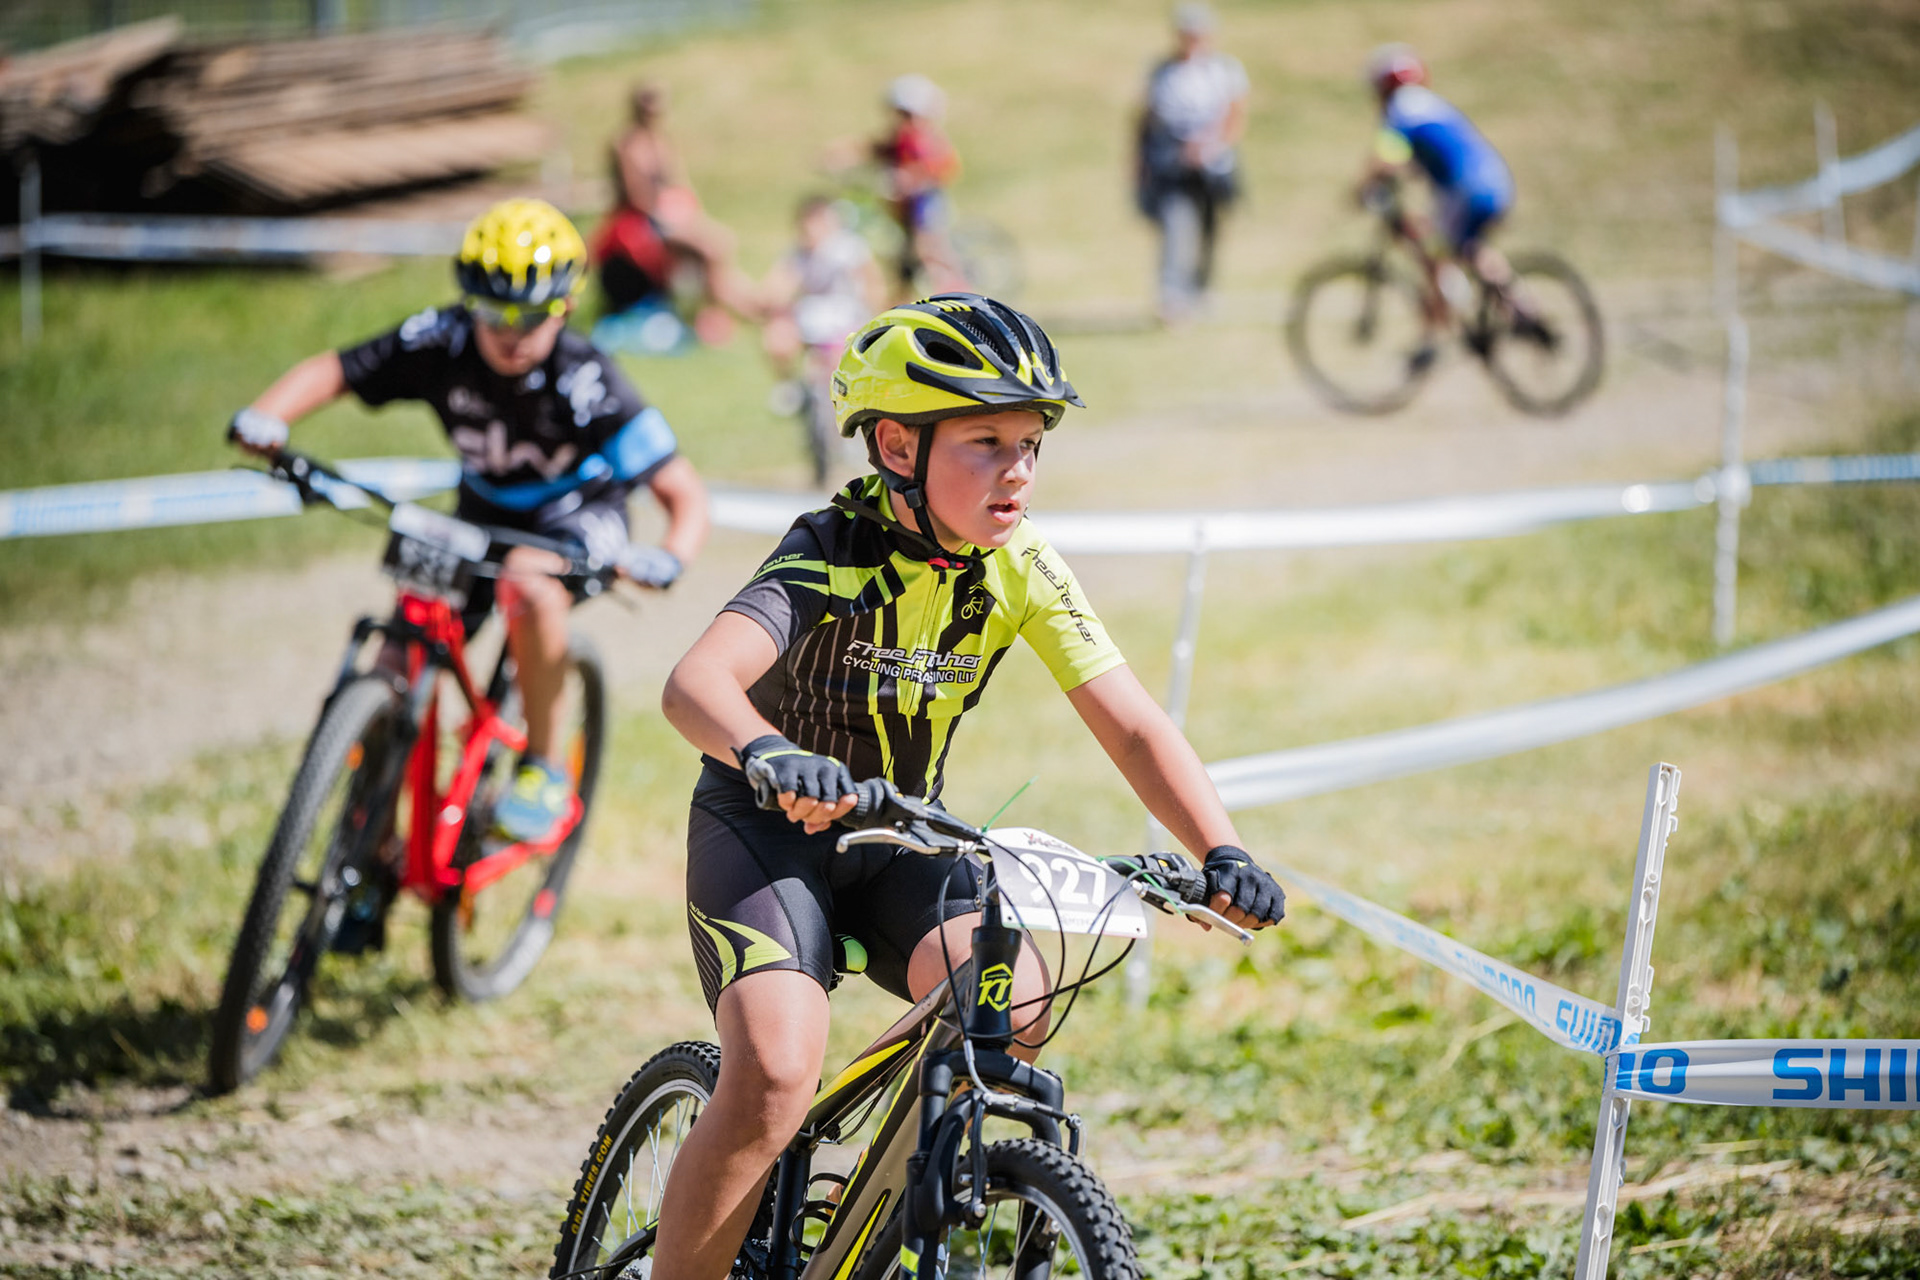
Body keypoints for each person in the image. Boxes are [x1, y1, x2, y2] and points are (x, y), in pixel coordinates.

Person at [649, 293, 1287, 1280]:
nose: (1018, 468)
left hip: (901, 836)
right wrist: (768, 751)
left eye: (1030, 443)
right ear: (897, 445)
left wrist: (1221, 848)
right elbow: (695, 683)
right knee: (774, 1072)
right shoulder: (830, 549)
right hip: (766, 830)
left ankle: (867, 1218)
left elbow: (1132, 724)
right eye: (986, 441)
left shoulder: (1020, 566)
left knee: (1014, 1008)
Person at [229, 197, 709, 846]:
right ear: (467, 302)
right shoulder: (441, 338)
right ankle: (370, 833)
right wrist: (268, 416)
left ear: (566, 306)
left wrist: (670, 555)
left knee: (527, 582)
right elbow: (335, 370)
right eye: (492, 312)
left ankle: (542, 768)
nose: (510, 332)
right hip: (479, 514)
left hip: (577, 515)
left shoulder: (589, 378)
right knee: (398, 650)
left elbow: (683, 491)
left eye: (530, 316)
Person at [1360, 43, 1518, 370]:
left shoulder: (1403, 108)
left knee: (1436, 254)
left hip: (1466, 191)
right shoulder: (1429, 105)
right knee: (1464, 250)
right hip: (1492, 182)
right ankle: (1521, 309)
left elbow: (1386, 158)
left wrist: (1362, 189)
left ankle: (1434, 338)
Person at [595, 81, 754, 343]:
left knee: (721, 240)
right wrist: (674, 219)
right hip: (642, 223)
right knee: (707, 251)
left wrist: (694, 217)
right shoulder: (626, 145)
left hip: (670, 214)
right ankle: (715, 318)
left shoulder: (662, 142)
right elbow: (638, 197)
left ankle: (737, 307)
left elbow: (680, 184)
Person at [757, 194, 886, 482]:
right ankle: (789, 386)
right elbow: (779, 284)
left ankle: (846, 432)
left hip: (844, 321)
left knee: (837, 370)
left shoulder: (848, 250)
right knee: (776, 338)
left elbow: (871, 281)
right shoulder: (799, 255)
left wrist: (873, 316)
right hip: (811, 322)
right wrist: (772, 302)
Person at [1135, 2, 1248, 324]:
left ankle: (1202, 291)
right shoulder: (1162, 71)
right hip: (1173, 164)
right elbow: (1146, 119)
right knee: (1176, 226)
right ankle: (1172, 298)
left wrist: (1211, 146)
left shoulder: (1224, 70)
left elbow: (1236, 116)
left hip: (1214, 166)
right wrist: (1142, 161)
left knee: (1210, 229)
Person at [871, 73, 965, 297]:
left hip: (925, 201)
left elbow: (941, 167)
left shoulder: (926, 139)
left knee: (929, 249)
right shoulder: (903, 138)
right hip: (906, 206)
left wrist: (909, 177)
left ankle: (956, 292)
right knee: (907, 258)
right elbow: (878, 150)